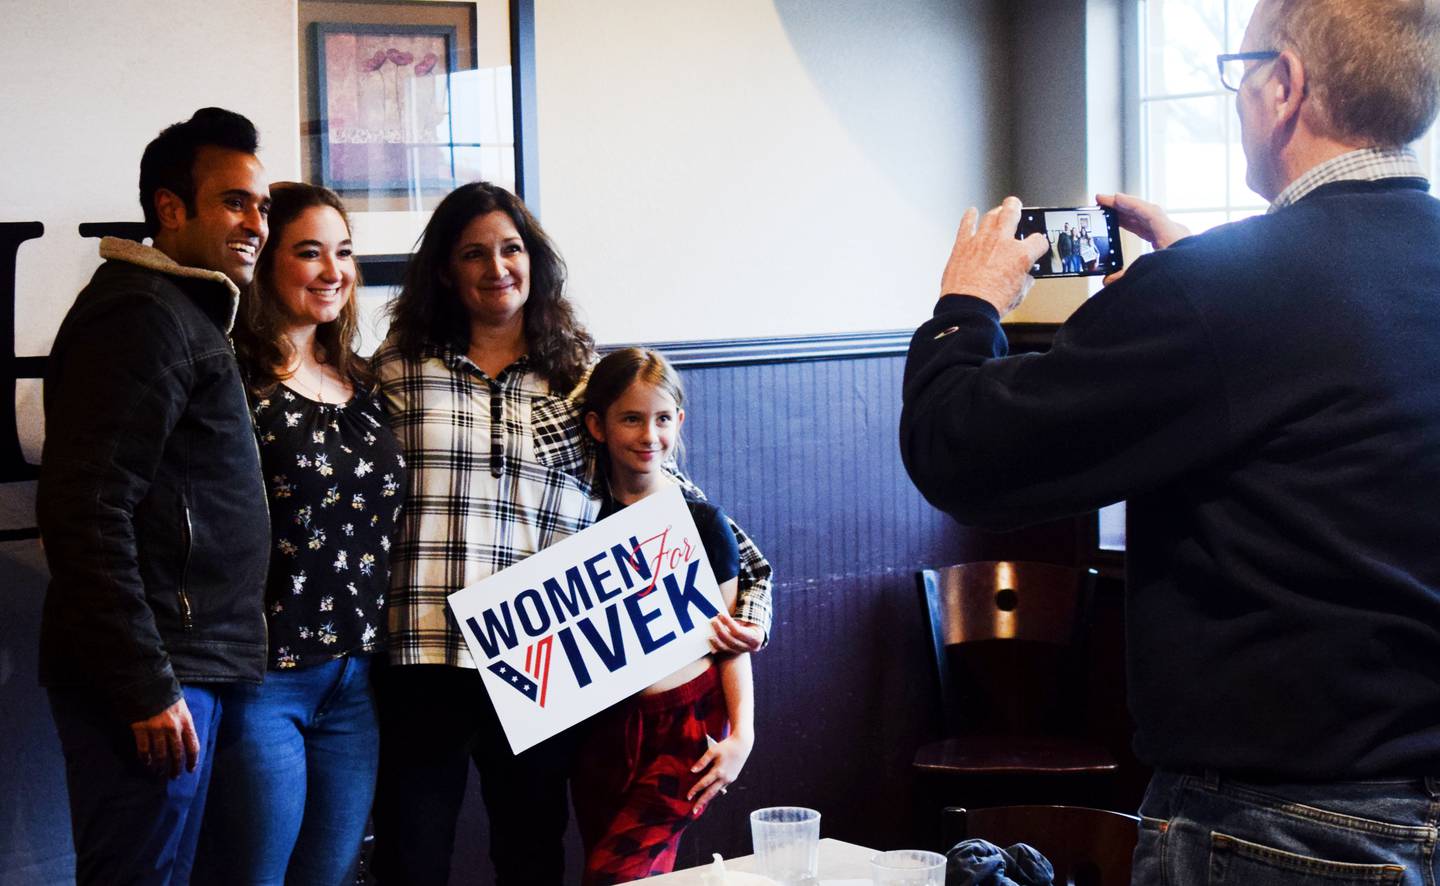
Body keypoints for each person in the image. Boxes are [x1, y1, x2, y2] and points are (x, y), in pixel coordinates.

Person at [898, 0, 1440, 882]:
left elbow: (961, 452)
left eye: (1240, 71)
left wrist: (968, 306)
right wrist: (1199, 285)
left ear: (1284, 84)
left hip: (1283, 833)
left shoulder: (1227, 291)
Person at [370, 181, 774, 885]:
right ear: (444, 269)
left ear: (535, 261)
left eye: (512, 248)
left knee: (529, 852)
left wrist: (752, 616)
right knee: (412, 855)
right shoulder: (397, 374)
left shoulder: (580, 383)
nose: (497, 268)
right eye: (474, 253)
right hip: (422, 652)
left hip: (539, 665)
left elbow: (706, 526)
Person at [36, 107, 272, 885]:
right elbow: (85, 510)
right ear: (171, 210)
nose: (255, 223)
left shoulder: (180, 310)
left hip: (184, 669)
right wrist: (145, 684)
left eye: (262, 205)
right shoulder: (142, 315)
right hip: (158, 681)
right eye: (234, 201)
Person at [195, 182, 406, 885]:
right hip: (263, 683)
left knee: (331, 876)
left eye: (343, 253)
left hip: (355, 683)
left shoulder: (367, 383)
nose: (332, 271)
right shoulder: (231, 381)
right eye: (309, 252)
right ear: (266, 260)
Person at [570, 348, 755, 885]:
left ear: (679, 422)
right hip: (602, 725)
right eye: (631, 418)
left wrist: (742, 734)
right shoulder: (582, 522)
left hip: (687, 724)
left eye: (662, 418)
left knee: (614, 874)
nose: (649, 434)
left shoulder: (703, 522)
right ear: (597, 426)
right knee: (630, 870)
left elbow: (730, 637)